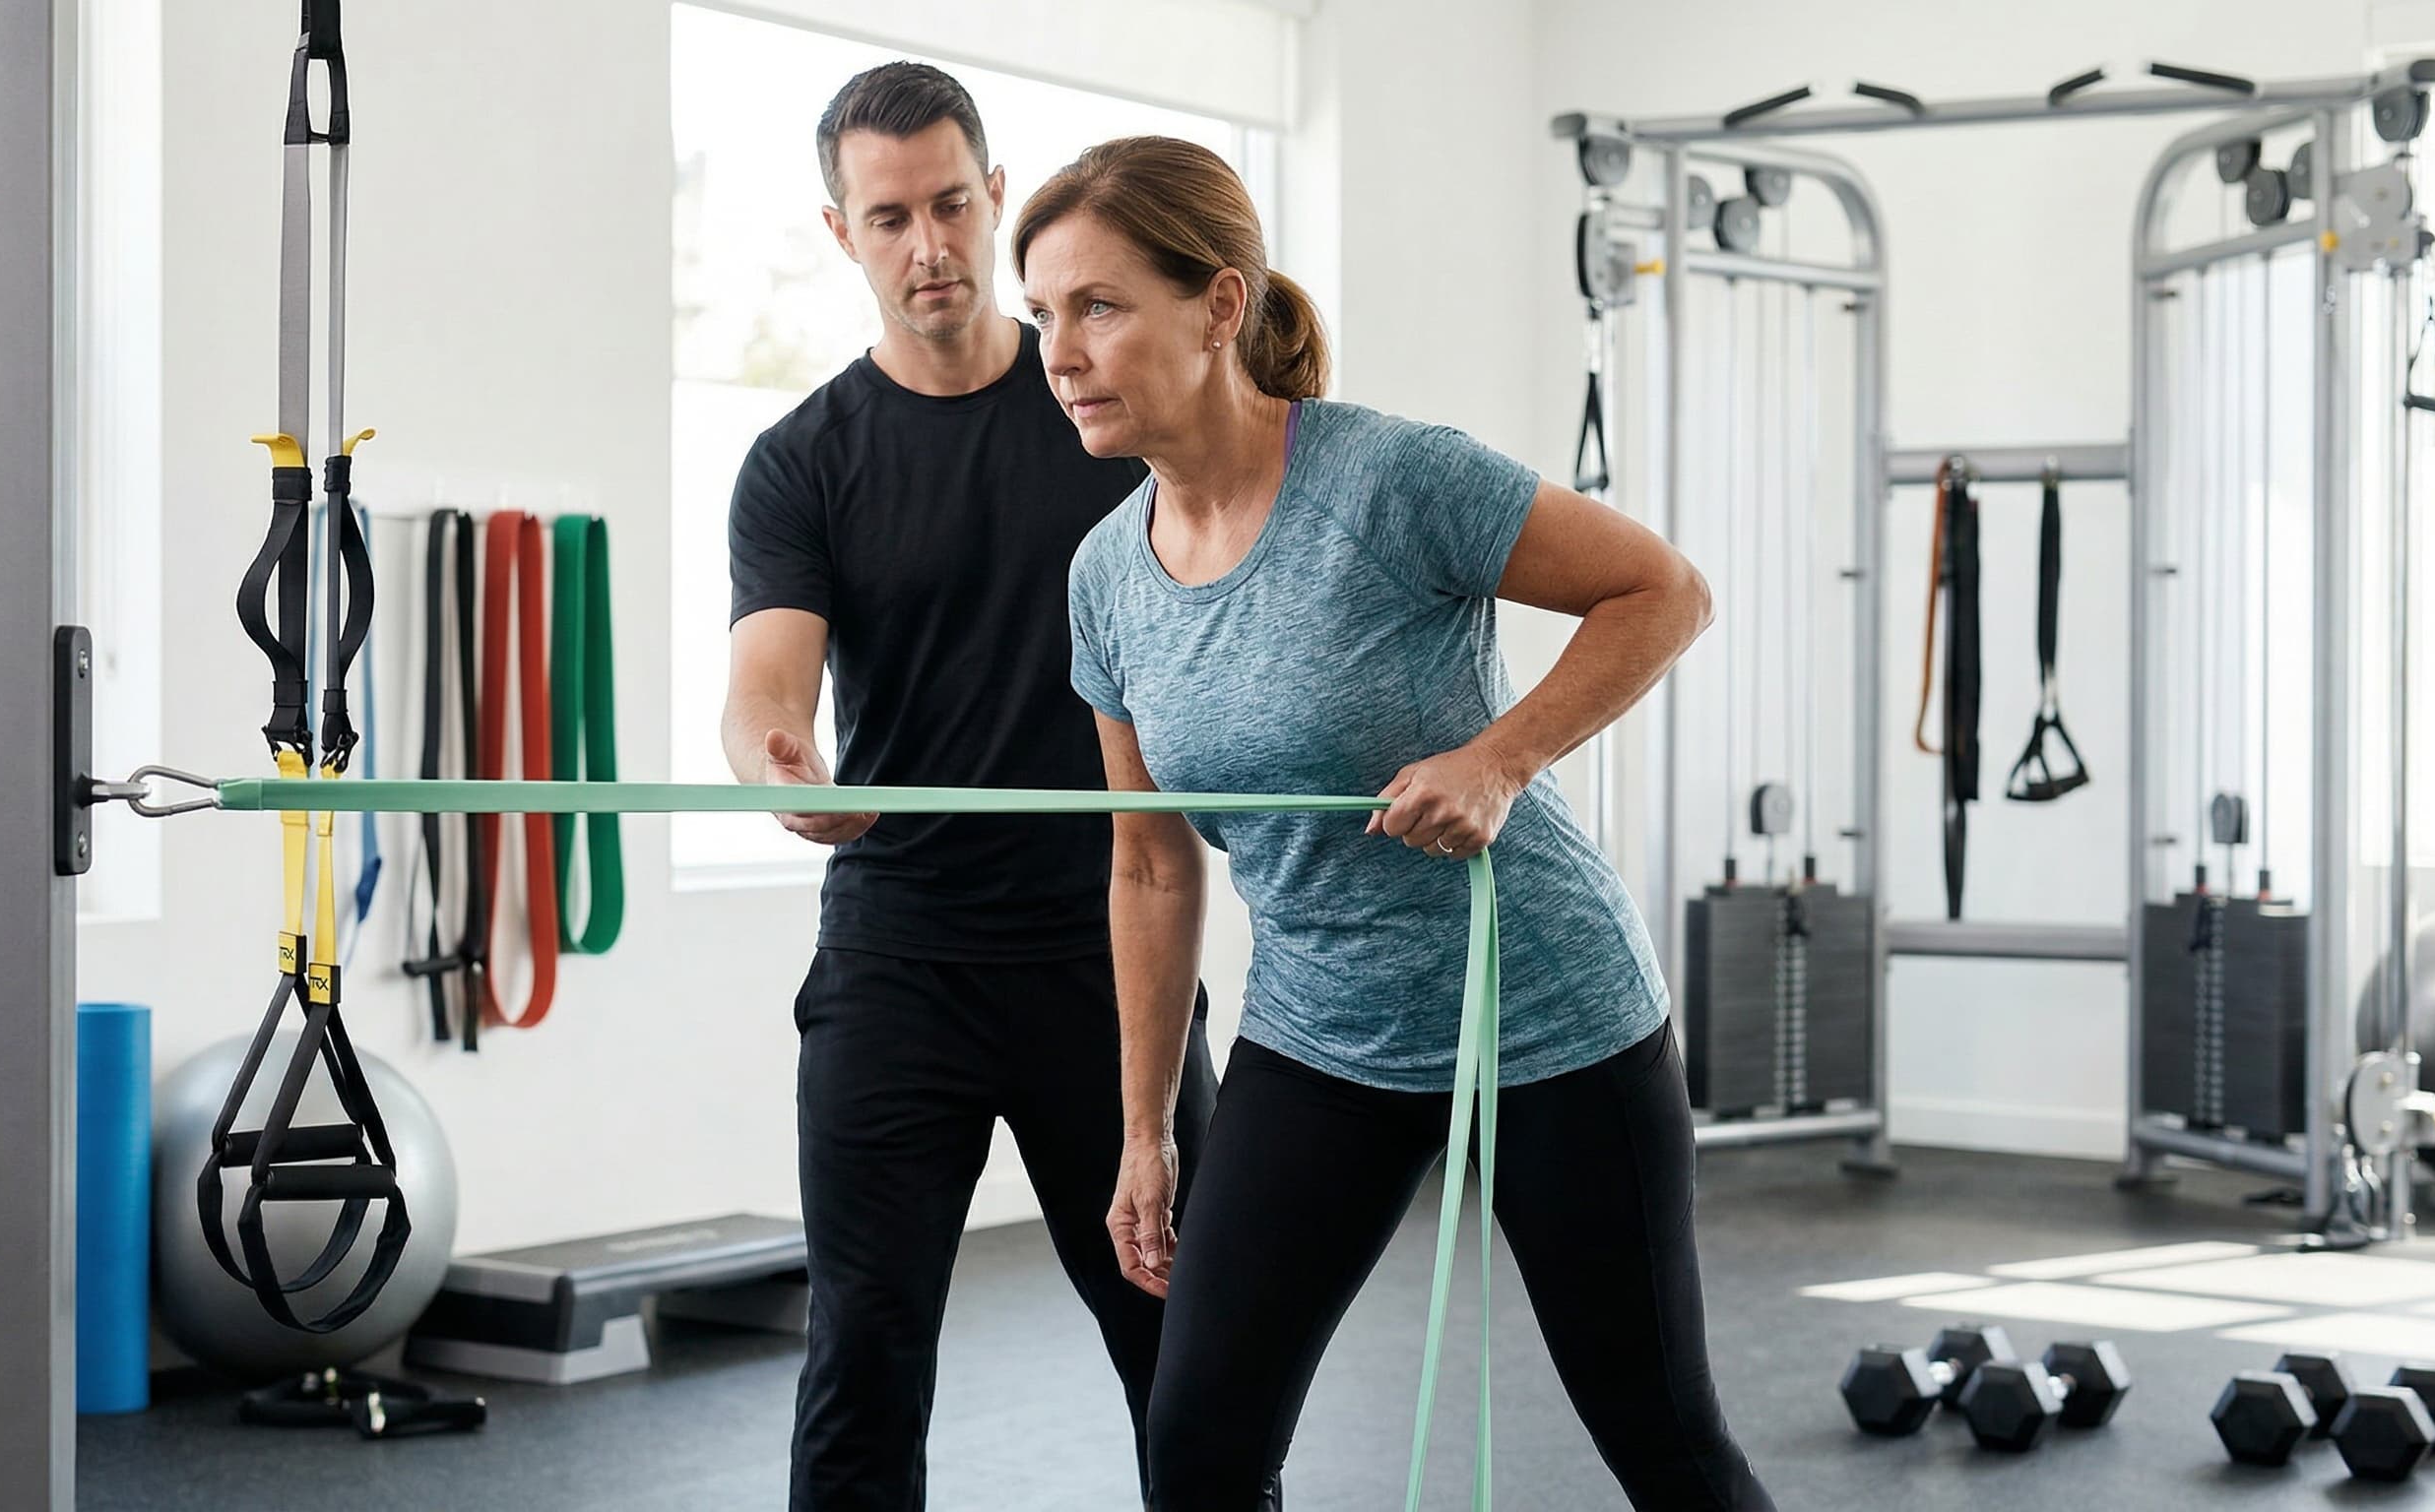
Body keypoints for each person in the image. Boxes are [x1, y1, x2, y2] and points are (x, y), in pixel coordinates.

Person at [1016, 135, 1779, 1511]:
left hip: (1544, 1013)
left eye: (1098, 305)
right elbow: (1147, 864)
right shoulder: (1103, 580)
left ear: (1221, 303)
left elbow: (1665, 591)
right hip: (1321, 1033)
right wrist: (1146, 1130)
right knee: (1198, 1446)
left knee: (1663, 1446)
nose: (1061, 350)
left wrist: (1500, 757)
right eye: (1046, 315)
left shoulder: (1386, 480)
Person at [722, 70, 1218, 1511]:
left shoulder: (1099, 411)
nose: (928, 245)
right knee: (864, 1358)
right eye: (891, 218)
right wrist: (779, 770)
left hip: (1110, 952)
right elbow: (766, 689)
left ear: (997, 198)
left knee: (1187, 1346)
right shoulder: (803, 463)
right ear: (842, 233)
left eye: (952, 204)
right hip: (901, 959)